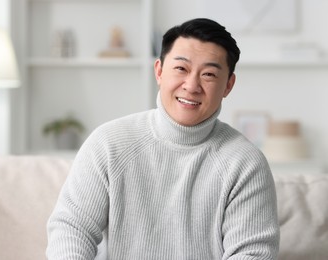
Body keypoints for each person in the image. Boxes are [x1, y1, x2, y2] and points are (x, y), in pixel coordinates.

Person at [46, 18, 280, 259]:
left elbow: (252, 253)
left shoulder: (245, 162)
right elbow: (72, 228)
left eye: (208, 74)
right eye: (181, 69)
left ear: (228, 85)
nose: (191, 86)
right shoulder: (108, 143)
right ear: (159, 71)